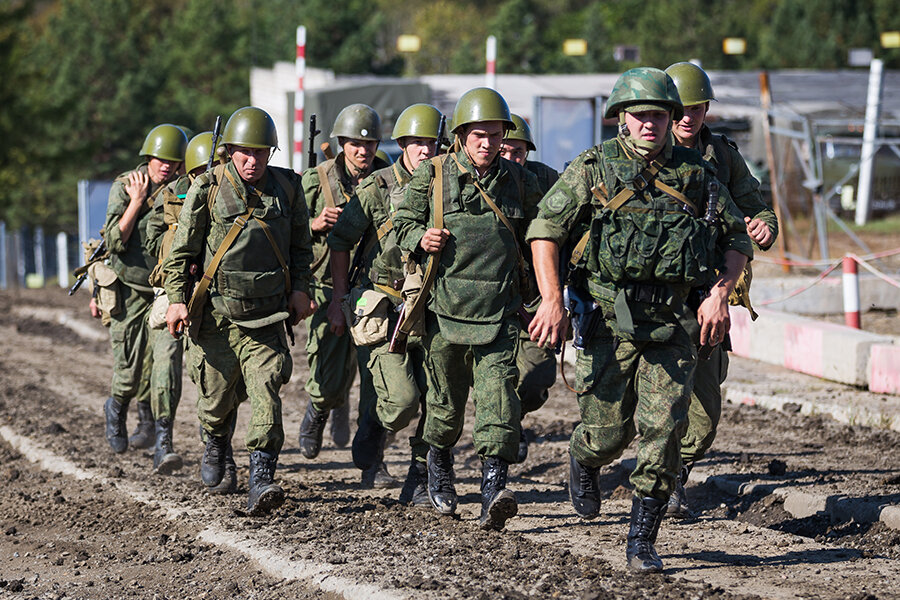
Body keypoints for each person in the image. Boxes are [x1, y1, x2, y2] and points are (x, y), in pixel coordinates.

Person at [525, 67, 754, 572]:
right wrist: (551, 300)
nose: (649, 124)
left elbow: (735, 239)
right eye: (639, 115)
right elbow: (545, 230)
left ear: (672, 118)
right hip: (609, 318)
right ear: (622, 119)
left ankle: (641, 539)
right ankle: (585, 457)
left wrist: (719, 294)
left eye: (658, 114)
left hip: (673, 323)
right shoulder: (593, 168)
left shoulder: (698, 174)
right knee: (609, 433)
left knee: (663, 428)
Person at [393, 88, 543, 530]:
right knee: (444, 407)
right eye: (479, 135)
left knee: (500, 404)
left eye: (496, 136)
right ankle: (438, 464)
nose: (488, 144)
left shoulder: (520, 181)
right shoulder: (433, 175)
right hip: (443, 313)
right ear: (460, 134)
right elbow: (400, 224)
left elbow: (546, 229)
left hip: (500, 313)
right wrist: (419, 238)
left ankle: (494, 487)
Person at [163, 106, 316, 515]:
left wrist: (302, 289)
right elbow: (182, 253)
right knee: (215, 401)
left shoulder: (288, 189)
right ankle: (215, 440)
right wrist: (178, 299)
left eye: (262, 153)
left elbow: (302, 248)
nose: (253, 161)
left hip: (267, 317)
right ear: (229, 150)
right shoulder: (207, 189)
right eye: (245, 153)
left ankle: (261, 477)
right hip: (215, 316)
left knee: (267, 390)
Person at [665, 61, 779, 517]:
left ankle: (673, 476)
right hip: (653, 298)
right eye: (679, 109)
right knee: (652, 402)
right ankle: (652, 480)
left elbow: (758, 208)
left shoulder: (723, 156)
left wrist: (763, 228)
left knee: (706, 412)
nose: (688, 118)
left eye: (697, 107)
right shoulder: (643, 153)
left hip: (710, 293)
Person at [326, 103, 443, 500]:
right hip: (383, 305)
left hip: (429, 307)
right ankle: (374, 437)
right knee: (397, 399)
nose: (425, 151)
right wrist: (341, 297)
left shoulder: (447, 187)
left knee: (437, 397)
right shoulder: (376, 188)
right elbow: (340, 240)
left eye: (432, 143)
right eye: (417, 143)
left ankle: (420, 476)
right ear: (402, 145)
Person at [298, 104, 390, 459]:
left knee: (376, 374)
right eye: (354, 144)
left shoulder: (388, 178)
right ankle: (319, 410)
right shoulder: (315, 181)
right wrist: (314, 224)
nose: (362, 151)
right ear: (341, 144)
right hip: (326, 287)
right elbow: (288, 233)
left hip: (373, 289)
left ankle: (371, 455)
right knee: (328, 373)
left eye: (369, 145)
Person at [103, 124, 187, 455]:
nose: (165, 166)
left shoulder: (184, 189)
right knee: (129, 369)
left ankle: (162, 438)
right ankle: (116, 409)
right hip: (130, 287)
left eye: (172, 160)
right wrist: (136, 202)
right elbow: (114, 241)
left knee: (165, 363)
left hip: (166, 291)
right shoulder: (126, 185)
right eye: (159, 159)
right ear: (147, 157)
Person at [499, 113, 560, 463]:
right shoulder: (479, 180)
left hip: (532, 296)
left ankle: (512, 417)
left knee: (537, 378)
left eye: (518, 152)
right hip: (486, 294)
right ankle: (500, 426)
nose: (510, 159)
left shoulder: (548, 180)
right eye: (504, 150)